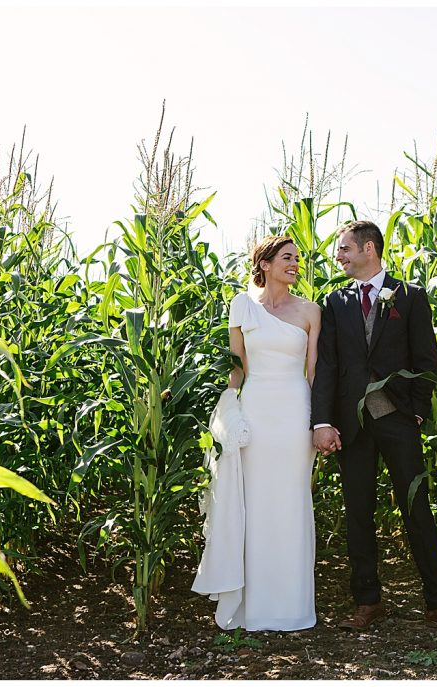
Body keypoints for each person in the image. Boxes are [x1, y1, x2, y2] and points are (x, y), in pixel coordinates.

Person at [310, 220, 437, 637]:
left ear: (370, 248)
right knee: (358, 513)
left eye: (345, 249)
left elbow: (426, 360)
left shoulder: (411, 296)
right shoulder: (334, 303)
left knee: (417, 509)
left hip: (398, 419)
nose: (340, 256)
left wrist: (418, 413)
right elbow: (329, 366)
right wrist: (322, 420)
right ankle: (367, 601)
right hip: (353, 425)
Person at [193, 234, 320, 631]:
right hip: (257, 413)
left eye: (298, 258)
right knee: (256, 505)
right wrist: (228, 416)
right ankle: (255, 606)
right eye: (287, 257)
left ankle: (292, 606)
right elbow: (238, 369)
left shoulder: (311, 311)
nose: (295, 264)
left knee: (292, 502)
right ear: (264, 263)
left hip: (295, 412)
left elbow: (313, 372)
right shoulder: (241, 305)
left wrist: (317, 422)